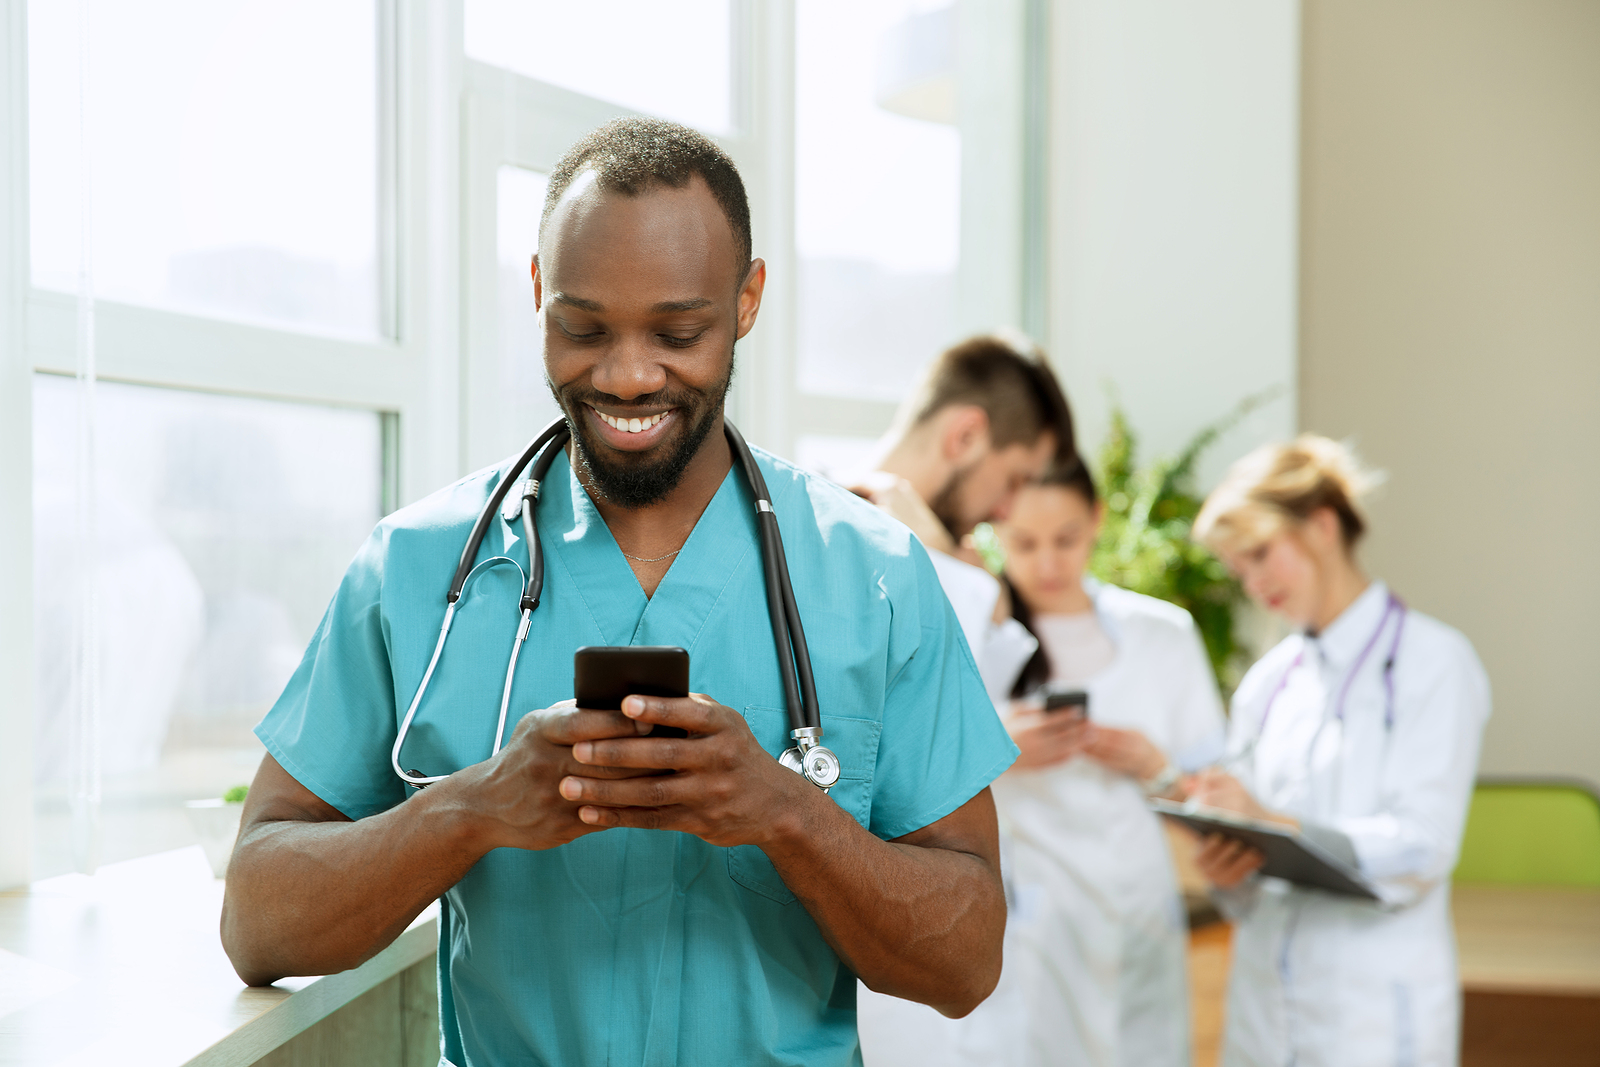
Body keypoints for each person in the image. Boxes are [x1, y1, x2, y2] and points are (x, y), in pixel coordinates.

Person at [220, 117, 1019, 1067]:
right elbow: (257, 920)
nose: (630, 374)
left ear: (748, 299)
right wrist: (473, 808)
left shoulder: (874, 576)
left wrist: (785, 813)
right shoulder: (415, 569)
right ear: (535, 293)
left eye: (679, 331)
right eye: (583, 326)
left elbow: (967, 962)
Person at [859, 459, 1226, 1067]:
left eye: (1067, 539)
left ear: (1097, 523)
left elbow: (1213, 800)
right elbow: (904, 770)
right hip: (1032, 925)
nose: (1048, 564)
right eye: (1026, 543)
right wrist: (995, 744)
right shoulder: (976, 633)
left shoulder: (1163, 634)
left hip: (1139, 913)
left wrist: (1153, 765)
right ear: (998, 529)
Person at [1187, 435, 1491, 1067]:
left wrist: (1275, 825)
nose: (1253, 582)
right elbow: (1249, 882)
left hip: (1373, 1020)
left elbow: (1423, 846)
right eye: (1239, 568)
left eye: (1261, 553)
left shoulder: (1433, 663)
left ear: (1322, 526)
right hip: (1264, 1018)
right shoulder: (1267, 685)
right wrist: (1227, 866)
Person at [852, 332, 1073, 702]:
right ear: (966, 436)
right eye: (1014, 481)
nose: (1006, 512)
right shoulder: (797, 533)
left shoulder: (961, 570)